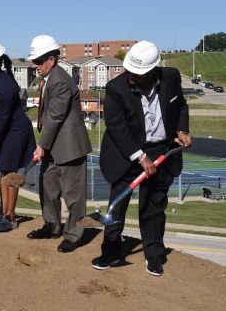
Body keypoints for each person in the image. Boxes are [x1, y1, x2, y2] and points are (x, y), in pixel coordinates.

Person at [92, 41, 191, 276]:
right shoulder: (116, 88)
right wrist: (140, 157)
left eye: (137, 74)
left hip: (161, 150)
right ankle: (111, 252)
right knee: (117, 205)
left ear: (151, 71)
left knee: (154, 205)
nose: (130, 77)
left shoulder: (171, 77)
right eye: (129, 71)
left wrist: (181, 129)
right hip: (127, 152)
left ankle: (154, 255)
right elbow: (117, 126)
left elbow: (182, 106)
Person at [26, 35, 92, 253]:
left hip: (70, 147)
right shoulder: (48, 79)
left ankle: (73, 234)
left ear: (52, 59)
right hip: (54, 146)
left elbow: (55, 117)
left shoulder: (61, 81)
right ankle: (51, 225)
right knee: (48, 187)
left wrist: (41, 146)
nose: (36, 66)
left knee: (73, 196)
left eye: (39, 61)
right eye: (34, 61)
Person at [0, 40, 36, 232]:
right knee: (3, 174)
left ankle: (10, 218)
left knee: (10, 175)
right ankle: (3, 212)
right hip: (5, 128)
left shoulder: (5, 85)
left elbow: (4, 118)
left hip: (16, 132)